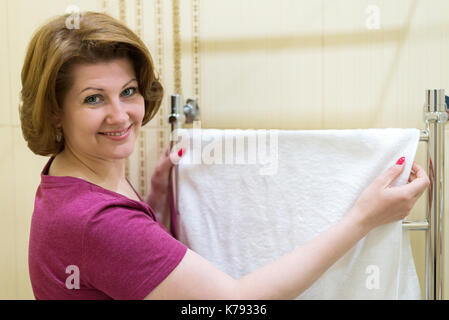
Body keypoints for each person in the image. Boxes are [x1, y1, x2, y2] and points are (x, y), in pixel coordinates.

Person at [20, 11, 430, 300]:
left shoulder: (75, 177)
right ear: (55, 111)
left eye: (128, 91)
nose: (121, 114)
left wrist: (156, 201)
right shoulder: (96, 222)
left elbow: (123, 268)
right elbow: (236, 299)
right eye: (94, 98)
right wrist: (363, 218)